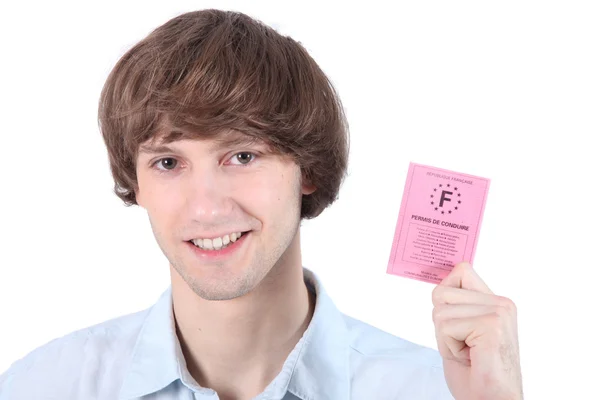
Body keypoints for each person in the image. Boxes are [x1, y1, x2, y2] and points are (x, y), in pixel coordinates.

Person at [0, 9, 523, 400]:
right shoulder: (44, 386)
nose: (204, 208)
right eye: (167, 163)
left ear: (309, 171)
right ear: (134, 182)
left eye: (242, 155)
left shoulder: (437, 391)